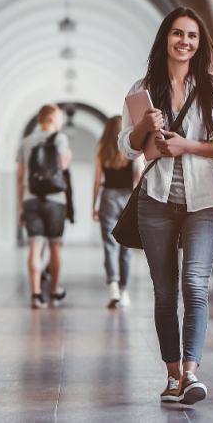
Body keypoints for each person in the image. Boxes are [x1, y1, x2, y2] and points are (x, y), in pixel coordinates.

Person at [118, 7, 213, 405]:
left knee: (195, 284)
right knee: (165, 291)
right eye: (177, 34)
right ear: (165, 39)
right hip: (156, 200)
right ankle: (171, 376)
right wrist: (144, 126)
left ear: (199, 44)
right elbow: (127, 148)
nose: (184, 42)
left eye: (192, 36)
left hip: (203, 201)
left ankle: (190, 373)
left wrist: (186, 145)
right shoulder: (143, 88)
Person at [17, 105, 71, 309]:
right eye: (59, 117)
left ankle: (36, 295)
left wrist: (21, 206)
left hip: (31, 199)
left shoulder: (25, 142)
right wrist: (69, 155)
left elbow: (20, 176)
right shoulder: (60, 138)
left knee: (34, 247)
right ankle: (55, 292)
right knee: (55, 246)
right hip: (55, 199)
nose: (61, 121)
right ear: (50, 118)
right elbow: (63, 166)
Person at [91, 116, 141, 308]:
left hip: (108, 199)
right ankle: (124, 291)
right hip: (127, 198)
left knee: (109, 245)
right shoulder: (132, 149)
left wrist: (93, 205)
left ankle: (113, 287)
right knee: (125, 247)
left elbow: (97, 180)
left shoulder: (102, 149)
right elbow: (139, 176)